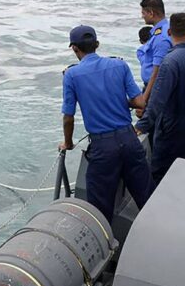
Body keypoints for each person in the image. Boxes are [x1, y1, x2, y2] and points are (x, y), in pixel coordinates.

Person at [60, 25, 152, 221]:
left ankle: (107, 247)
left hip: (103, 148)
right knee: (146, 198)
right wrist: (120, 103)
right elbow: (140, 102)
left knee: (99, 211)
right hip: (130, 140)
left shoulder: (71, 75)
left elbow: (68, 117)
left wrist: (68, 143)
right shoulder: (119, 65)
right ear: (97, 45)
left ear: (75, 49)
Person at [134, 13, 185, 183]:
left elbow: (157, 101)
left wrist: (141, 126)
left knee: (160, 170)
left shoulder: (170, 61)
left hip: (176, 123)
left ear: (169, 31)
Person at [138, 0, 172, 103]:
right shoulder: (166, 28)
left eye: (144, 13)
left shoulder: (161, 37)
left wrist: (144, 98)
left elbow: (157, 71)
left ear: (151, 13)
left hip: (155, 89)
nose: (142, 16)